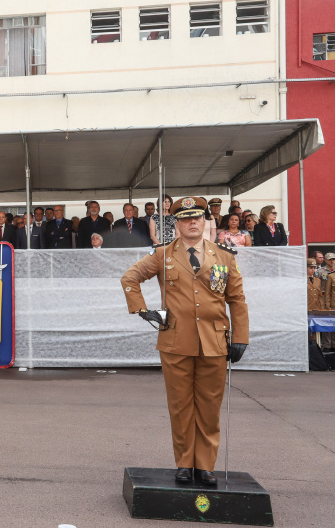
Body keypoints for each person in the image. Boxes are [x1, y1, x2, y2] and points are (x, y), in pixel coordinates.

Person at [121, 196, 248, 486]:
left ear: (205, 222)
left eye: (197, 218)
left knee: (209, 406)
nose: (192, 222)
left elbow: (237, 300)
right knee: (180, 407)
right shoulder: (162, 255)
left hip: (214, 343)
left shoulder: (224, 256)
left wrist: (240, 337)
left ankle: (204, 466)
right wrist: (143, 310)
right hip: (175, 342)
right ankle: (184, 463)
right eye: (186, 218)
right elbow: (130, 278)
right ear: (177, 224)